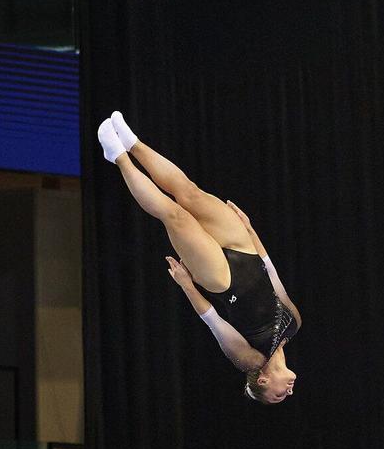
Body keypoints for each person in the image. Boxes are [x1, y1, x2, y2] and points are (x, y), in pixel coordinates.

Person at [95, 112, 301, 404]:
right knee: (190, 193)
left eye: (279, 395)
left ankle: (118, 157)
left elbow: (214, 321)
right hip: (247, 252)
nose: (289, 391)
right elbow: (273, 276)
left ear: (264, 381)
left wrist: (187, 285)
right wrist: (252, 232)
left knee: (175, 216)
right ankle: (133, 144)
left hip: (223, 280)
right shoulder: (294, 325)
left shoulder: (251, 362)